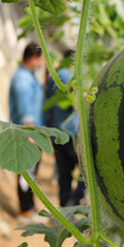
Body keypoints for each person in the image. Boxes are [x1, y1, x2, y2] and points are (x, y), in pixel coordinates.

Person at [8, 41, 45, 220]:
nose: (41, 64)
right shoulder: (22, 79)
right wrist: (30, 133)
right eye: (41, 59)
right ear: (33, 58)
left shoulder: (28, 76)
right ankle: (25, 210)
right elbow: (25, 109)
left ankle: (30, 207)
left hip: (32, 133)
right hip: (26, 134)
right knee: (26, 173)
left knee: (30, 172)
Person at [44, 49, 86, 207]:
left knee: (64, 173)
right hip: (68, 132)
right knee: (86, 171)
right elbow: (75, 100)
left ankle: (65, 206)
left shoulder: (54, 75)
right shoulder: (66, 75)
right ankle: (73, 201)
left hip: (57, 131)